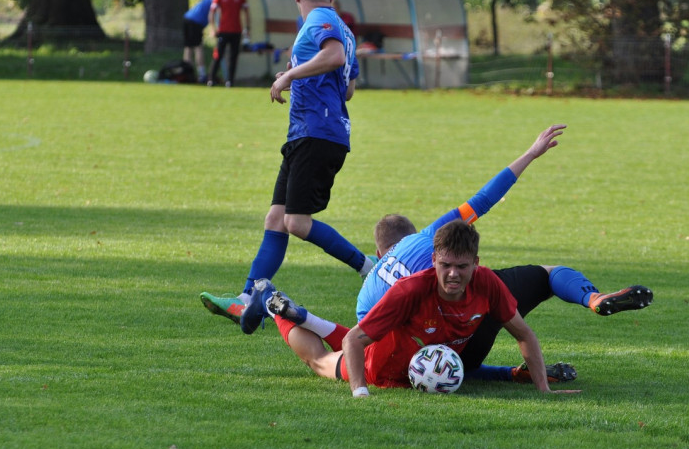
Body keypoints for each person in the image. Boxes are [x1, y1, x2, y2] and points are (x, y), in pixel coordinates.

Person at [242, 124, 652, 384]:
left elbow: (363, 339)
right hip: (475, 305)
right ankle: (592, 297)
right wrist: (530, 153)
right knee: (546, 273)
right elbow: (484, 199)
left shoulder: (372, 286)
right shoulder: (433, 237)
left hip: (425, 336)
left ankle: (283, 312)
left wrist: (361, 390)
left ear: (381, 251)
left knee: (328, 360)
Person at [200, 0, 371, 324]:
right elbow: (348, 88)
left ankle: (367, 266)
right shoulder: (345, 28)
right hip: (310, 133)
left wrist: (291, 73)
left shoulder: (319, 21)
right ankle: (247, 299)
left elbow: (335, 57)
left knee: (295, 222)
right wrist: (298, 78)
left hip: (316, 133)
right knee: (276, 219)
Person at [242, 221, 581, 397]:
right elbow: (356, 341)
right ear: (433, 259)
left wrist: (544, 391)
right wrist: (360, 392)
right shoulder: (410, 291)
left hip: (425, 356)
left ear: (476, 264)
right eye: (445, 265)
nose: (453, 274)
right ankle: (275, 309)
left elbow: (523, 333)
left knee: (349, 336)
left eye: (462, 267)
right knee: (318, 361)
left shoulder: (489, 283)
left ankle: (299, 314)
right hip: (382, 367)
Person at [208, 0, 251, 88]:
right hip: (223, 31)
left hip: (237, 31)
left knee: (233, 57)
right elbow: (212, 12)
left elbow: (246, 12)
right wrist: (213, 28)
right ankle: (211, 79)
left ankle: (230, 81)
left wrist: (247, 28)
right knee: (218, 55)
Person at [183, 0, 212, 83]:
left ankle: (187, 74)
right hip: (195, 22)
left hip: (187, 18)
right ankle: (202, 75)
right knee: (198, 47)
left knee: (188, 48)